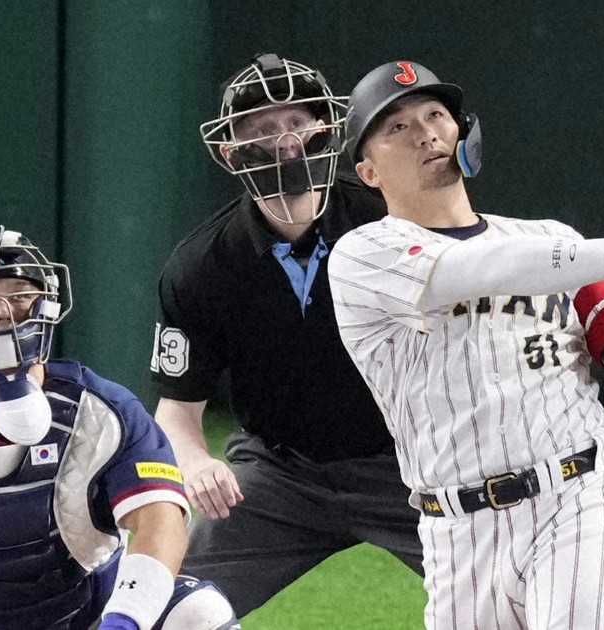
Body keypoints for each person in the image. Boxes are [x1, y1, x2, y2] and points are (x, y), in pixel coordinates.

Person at [328, 61, 604, 629]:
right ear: (368, 171)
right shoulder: (362, 257)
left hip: (580, 495)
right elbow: (481, 268)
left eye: (436, 114)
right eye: (397, 127)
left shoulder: (554, 240)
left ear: (464, 134)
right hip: (455, 532)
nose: (425, 132)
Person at [150, 53, 423, 617]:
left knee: (507, 593)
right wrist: (197, 464)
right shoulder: (202, 265)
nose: (285, 140)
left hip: (410, 466)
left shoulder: (393, 222)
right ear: (230, 152)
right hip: (281, 474)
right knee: (168, 608)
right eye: (261, 129)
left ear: (327, 127)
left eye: (297, 121)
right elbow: (176, 413)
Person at [0, 225, 239, 630]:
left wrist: (123, 623)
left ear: (46, 303)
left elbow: (160, 524)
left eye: (18, 293)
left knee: (200, 612)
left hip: (90, 619)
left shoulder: (102, 410)